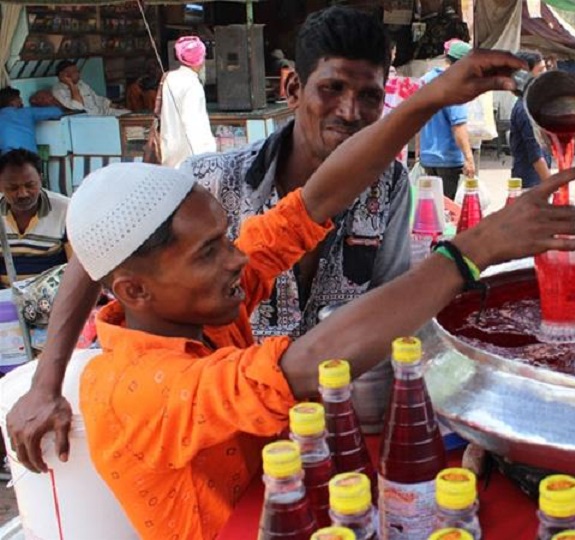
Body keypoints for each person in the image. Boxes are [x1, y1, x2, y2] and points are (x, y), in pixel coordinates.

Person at [66, 49, 575, 539]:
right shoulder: (137, 388)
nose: (237, 258)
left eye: (226, 239)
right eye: (208, 252)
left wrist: (430, 99)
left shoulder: (193, 307)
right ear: (134, 290)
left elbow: (317, 199)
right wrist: (472, 249)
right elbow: (309, 362)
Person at [4, 7, 414, 472]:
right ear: (293, 89)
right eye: (332, 88)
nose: (350, 112)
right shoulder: (209, 181)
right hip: (228, 433)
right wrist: (45, 383)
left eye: (369, 97)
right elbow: (100, 245)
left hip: (345, 425)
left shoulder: (388, 185)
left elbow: (389, 303)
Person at [0, 150, 71, 286]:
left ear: (41, 179)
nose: (23, 194)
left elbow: (77, 269)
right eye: (13, 188)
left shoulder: (66, 210)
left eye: (30, 185)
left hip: (53, 296)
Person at [419, 38, 476, 198]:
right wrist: (469, 158)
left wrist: (419, 151)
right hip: (448, 159)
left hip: (428, 157)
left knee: (431, 208)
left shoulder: (426, 80)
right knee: (446, 212)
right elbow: (458, 126)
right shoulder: (455, 86)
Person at [160, 36, 217, 168]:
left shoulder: (170, 78)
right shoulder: (192, 84)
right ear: (200, 60)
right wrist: (203, 158)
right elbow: (193, 124)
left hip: (170, 153)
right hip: (190, 158)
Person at [509, 50, 551, 189]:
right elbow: (536, 156)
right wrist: (553, 187)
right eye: (540, 70)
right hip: (530, 185)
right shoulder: (526, 110)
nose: (545, 75)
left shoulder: (533, 105)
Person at [0, 87, 63, 155]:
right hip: (29, 157)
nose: (21, 100)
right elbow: (57, 112)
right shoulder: (27, 112)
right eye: (18, 98)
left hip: (7, 158)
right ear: (12, 102)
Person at [51, 60, 124, 115]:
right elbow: (78, 106)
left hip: (103, 112)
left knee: (129, 114)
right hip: (90, 118)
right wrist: (71, 85)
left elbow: (96, 98)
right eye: (74, 72)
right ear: (63, 75)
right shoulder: (59, 90)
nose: (78, 74)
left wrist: (115, 105)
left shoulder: (81, 84)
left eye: (77, 71)